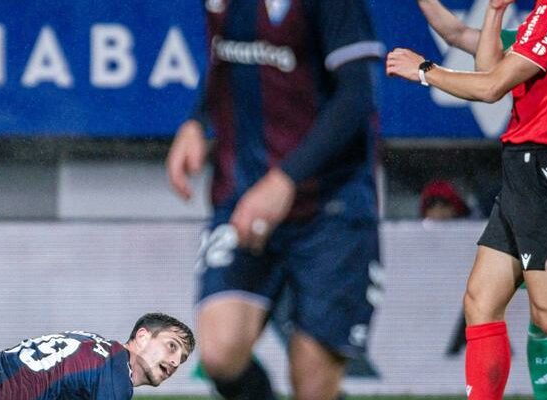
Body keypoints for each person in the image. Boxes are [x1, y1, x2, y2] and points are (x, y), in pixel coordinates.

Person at [165, 0, 384, 398]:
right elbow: (223, 59)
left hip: (331, 206)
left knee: (313, 383)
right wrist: (197, 121)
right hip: (243, 198)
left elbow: (357, 96)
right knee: (218, 352)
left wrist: (285, 179)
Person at [389, 0, 547, 398]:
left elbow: (492, 86)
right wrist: (495, 12)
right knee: (481, 301)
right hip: (521, 170)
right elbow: (478, 55)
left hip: (542, 168)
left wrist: (426, 71)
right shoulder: (538, 18)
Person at [0, 312, 195, 400]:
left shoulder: (98, 346)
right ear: (141, 336)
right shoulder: (116, 373)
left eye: (181, 359)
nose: (175, 361)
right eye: (171, 345)